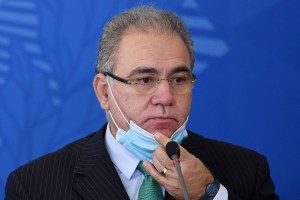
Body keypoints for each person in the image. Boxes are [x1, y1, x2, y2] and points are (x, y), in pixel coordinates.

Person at [5, 6, 279, 200]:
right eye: (145, 80)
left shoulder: (246, 170)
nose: (166, 98)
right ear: (104, 92)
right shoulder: (34, 185)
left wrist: (210, 194)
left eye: (179, 79)